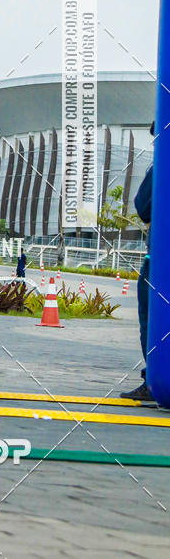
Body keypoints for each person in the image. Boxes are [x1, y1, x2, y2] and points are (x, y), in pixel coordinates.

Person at [120, 122, 155, 404]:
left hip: (159, 260)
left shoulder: (161, 167)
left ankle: (155, 379)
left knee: (151, 320)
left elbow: (143, 208)